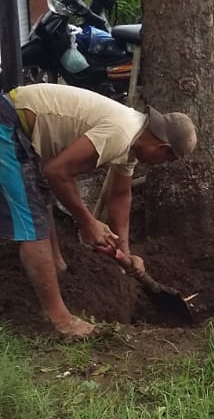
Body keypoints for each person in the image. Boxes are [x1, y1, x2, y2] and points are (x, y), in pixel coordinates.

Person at [0, 84, 197, 339]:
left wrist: (125, 252)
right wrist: (88, 222)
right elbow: (56, 172)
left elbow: (120, 195)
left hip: (22, 128)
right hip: (9, 123)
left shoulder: (134, 138)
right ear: (163, 149)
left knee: (41, 199)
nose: (161, 165)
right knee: (32, 222)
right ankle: (59, 319)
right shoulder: (121, 133)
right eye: (168, 161)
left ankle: (57, 268)